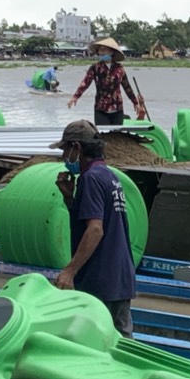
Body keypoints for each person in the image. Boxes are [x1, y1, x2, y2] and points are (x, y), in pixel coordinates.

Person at [50, 119, 136, 337]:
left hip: (100, 279)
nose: (64, 157)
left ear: (77, 148)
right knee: (123, 342)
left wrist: (70, 271)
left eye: (65, 150)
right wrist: (70, 199)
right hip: (119, 276)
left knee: (95, 341)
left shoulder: (90, 179)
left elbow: (95, 229)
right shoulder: (109, 175)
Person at [68, 38, 146, 125]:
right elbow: (85, 83)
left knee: (117, 133)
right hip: (101, 108)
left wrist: (135, 102)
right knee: (102, 132)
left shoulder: (119, 68)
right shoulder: (95, 68)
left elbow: (127, 87)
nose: (101, 53)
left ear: (111, 52)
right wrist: (75, 97)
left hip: (117, 108)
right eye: (100, 50)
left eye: (104, 50)